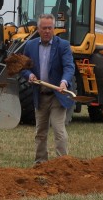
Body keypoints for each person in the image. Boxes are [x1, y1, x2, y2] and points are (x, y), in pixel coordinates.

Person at [21, 14, 76, 164]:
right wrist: (29, 75)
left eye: (50, 28)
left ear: (54, 29)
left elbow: (69, 67)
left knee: (59, 130)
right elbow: (23, 67)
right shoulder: (30, 46)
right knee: (40, 132)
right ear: (38, 29)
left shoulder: (62, 45)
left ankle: (62, 164)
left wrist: (64, 82)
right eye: (44, 28)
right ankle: (40, 163)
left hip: (57, 95)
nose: (47, 31)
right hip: (40, 95)